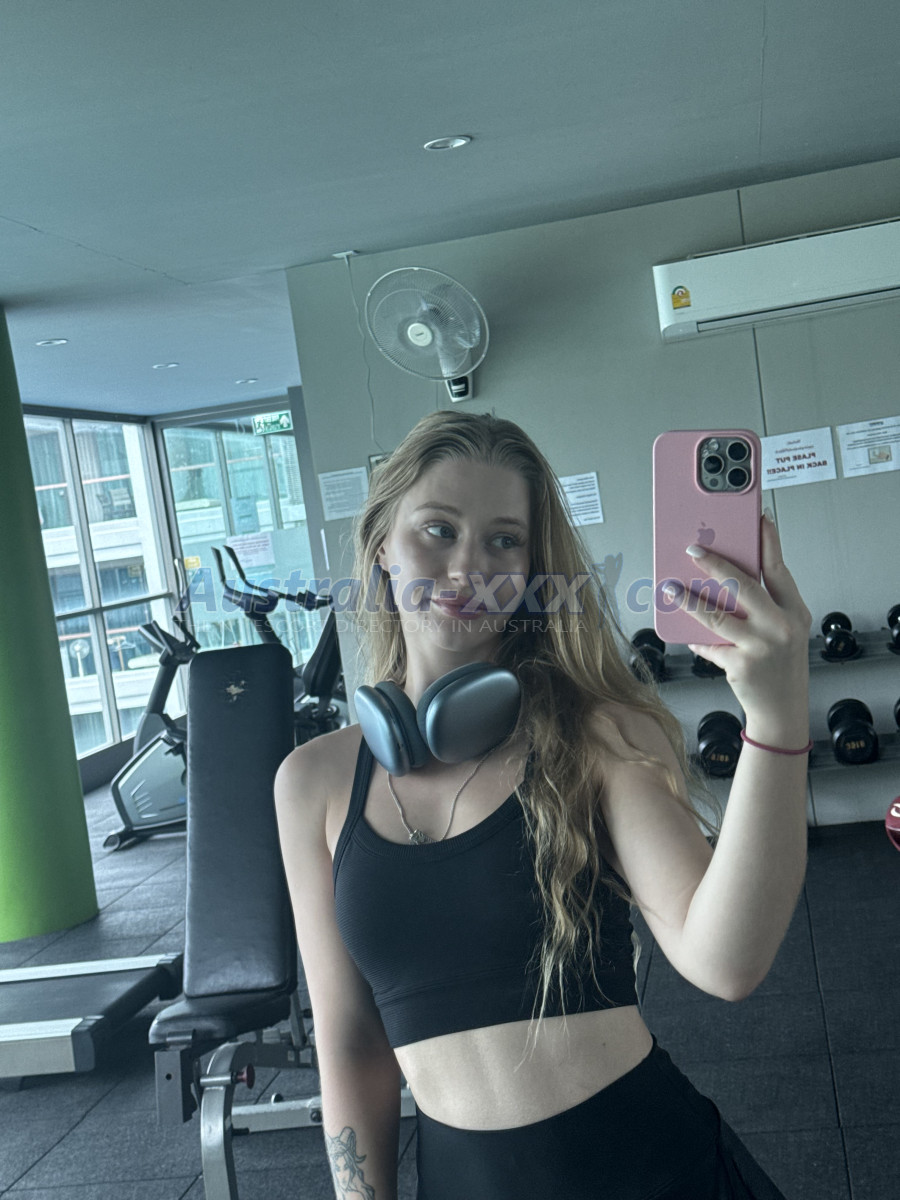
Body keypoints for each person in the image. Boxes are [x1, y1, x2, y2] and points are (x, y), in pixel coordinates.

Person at [274, 410, 812, 1200]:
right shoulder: (312, 782)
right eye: (439, 530)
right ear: (383, 544)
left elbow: (726, 960)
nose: (468, 568)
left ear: (531, 569)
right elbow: (351, 1041)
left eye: (504, 540)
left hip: (651, 1173)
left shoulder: (599, 735)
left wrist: (777, 718)